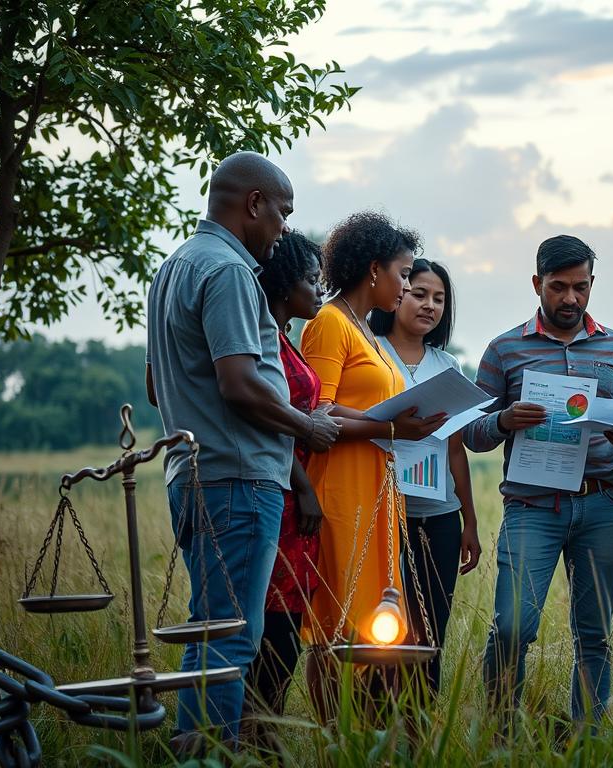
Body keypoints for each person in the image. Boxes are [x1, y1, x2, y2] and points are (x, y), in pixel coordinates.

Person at [145, 152, 341, 750]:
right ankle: (209, 754)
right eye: (282, 213)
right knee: (231, 637)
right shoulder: (229, 270)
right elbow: (239, 382)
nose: (283, 228)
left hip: (193, 473)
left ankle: (193, 748)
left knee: (211, 632)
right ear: (253, 204)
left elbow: (158, 384)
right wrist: (305, 428)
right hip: (237, 478)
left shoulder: (175, 264)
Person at [463, 235, 613, 722]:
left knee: (595, 634)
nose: (571, 298)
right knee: (512, 627)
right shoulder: (504, 350)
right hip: (532, 509)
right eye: (558, 287)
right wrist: (505, 420)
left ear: (592, 284)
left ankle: (589, 735)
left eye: (581, 287)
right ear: (536, 284)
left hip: (600, 505)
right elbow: (472, 434)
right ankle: (499, 734)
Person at [299, 212, 447, 724]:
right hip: (341, 489)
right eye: (404, 274)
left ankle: (363, 731)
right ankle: (331, 738)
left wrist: (404, 425)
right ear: (373, 269)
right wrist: (391, 429)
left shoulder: (364, 329)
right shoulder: (330, 324)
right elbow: (319, 411)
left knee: (375, 620)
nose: (407, 285)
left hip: (380, 490)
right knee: (334, 624)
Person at [367, 258, 483, 703]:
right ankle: (375, 723)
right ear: (397, 293)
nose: (429, 305)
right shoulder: (372, 352)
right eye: (419, 293)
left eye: (439, 298)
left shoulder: (447, 364)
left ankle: (419, 725)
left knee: (430, 629)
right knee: (380, 627)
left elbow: (456, 448)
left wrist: (468, 521)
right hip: (383, 511)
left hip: (439, 516)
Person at [240, 231, 328, 749]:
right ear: (282, 283)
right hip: (284, 494)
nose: (319, 290)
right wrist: (307, 488)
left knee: (286, 631)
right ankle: (257, 739)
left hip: (296, 505)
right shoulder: (266, 340)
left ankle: (262, 736)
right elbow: (266, 422)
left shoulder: (284, 334)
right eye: (311, 280)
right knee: (272, 633)